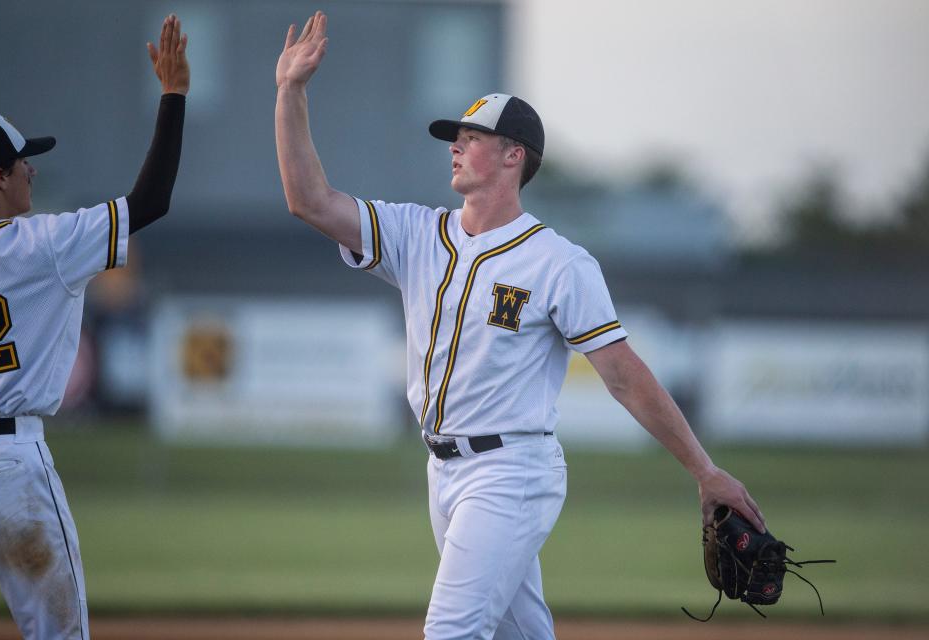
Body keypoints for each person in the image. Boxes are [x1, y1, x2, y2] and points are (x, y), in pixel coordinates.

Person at [275, 11, 766, 640]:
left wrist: (705, 471)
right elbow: (308, 200)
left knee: (450, 631)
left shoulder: (558, 263)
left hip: (511, 471)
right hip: (443, 471)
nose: (455, 144)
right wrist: (291, 92)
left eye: (471, 136)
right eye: (456, 136)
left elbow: (624, 376)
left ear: (514, 155)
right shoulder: (416, 234)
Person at [0, 15, 189, 639]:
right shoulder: (38, 245)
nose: (31, 170)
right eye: (22, 162)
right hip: (12, 466)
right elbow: (150, 203)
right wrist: (173, 96)